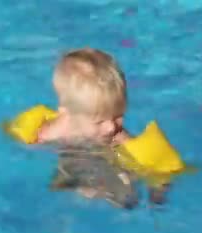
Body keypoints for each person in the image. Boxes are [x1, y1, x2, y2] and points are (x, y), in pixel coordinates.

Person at [36, 47, 167, 208]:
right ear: (68, 114)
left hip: (104, 156)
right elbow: (36, 147)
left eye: (118, 116)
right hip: (72, 155)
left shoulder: (115, 134)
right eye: (100, 122)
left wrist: (157, 188)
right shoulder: (55, 133)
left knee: (128, 196)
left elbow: (144, 158)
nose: (111, 128)